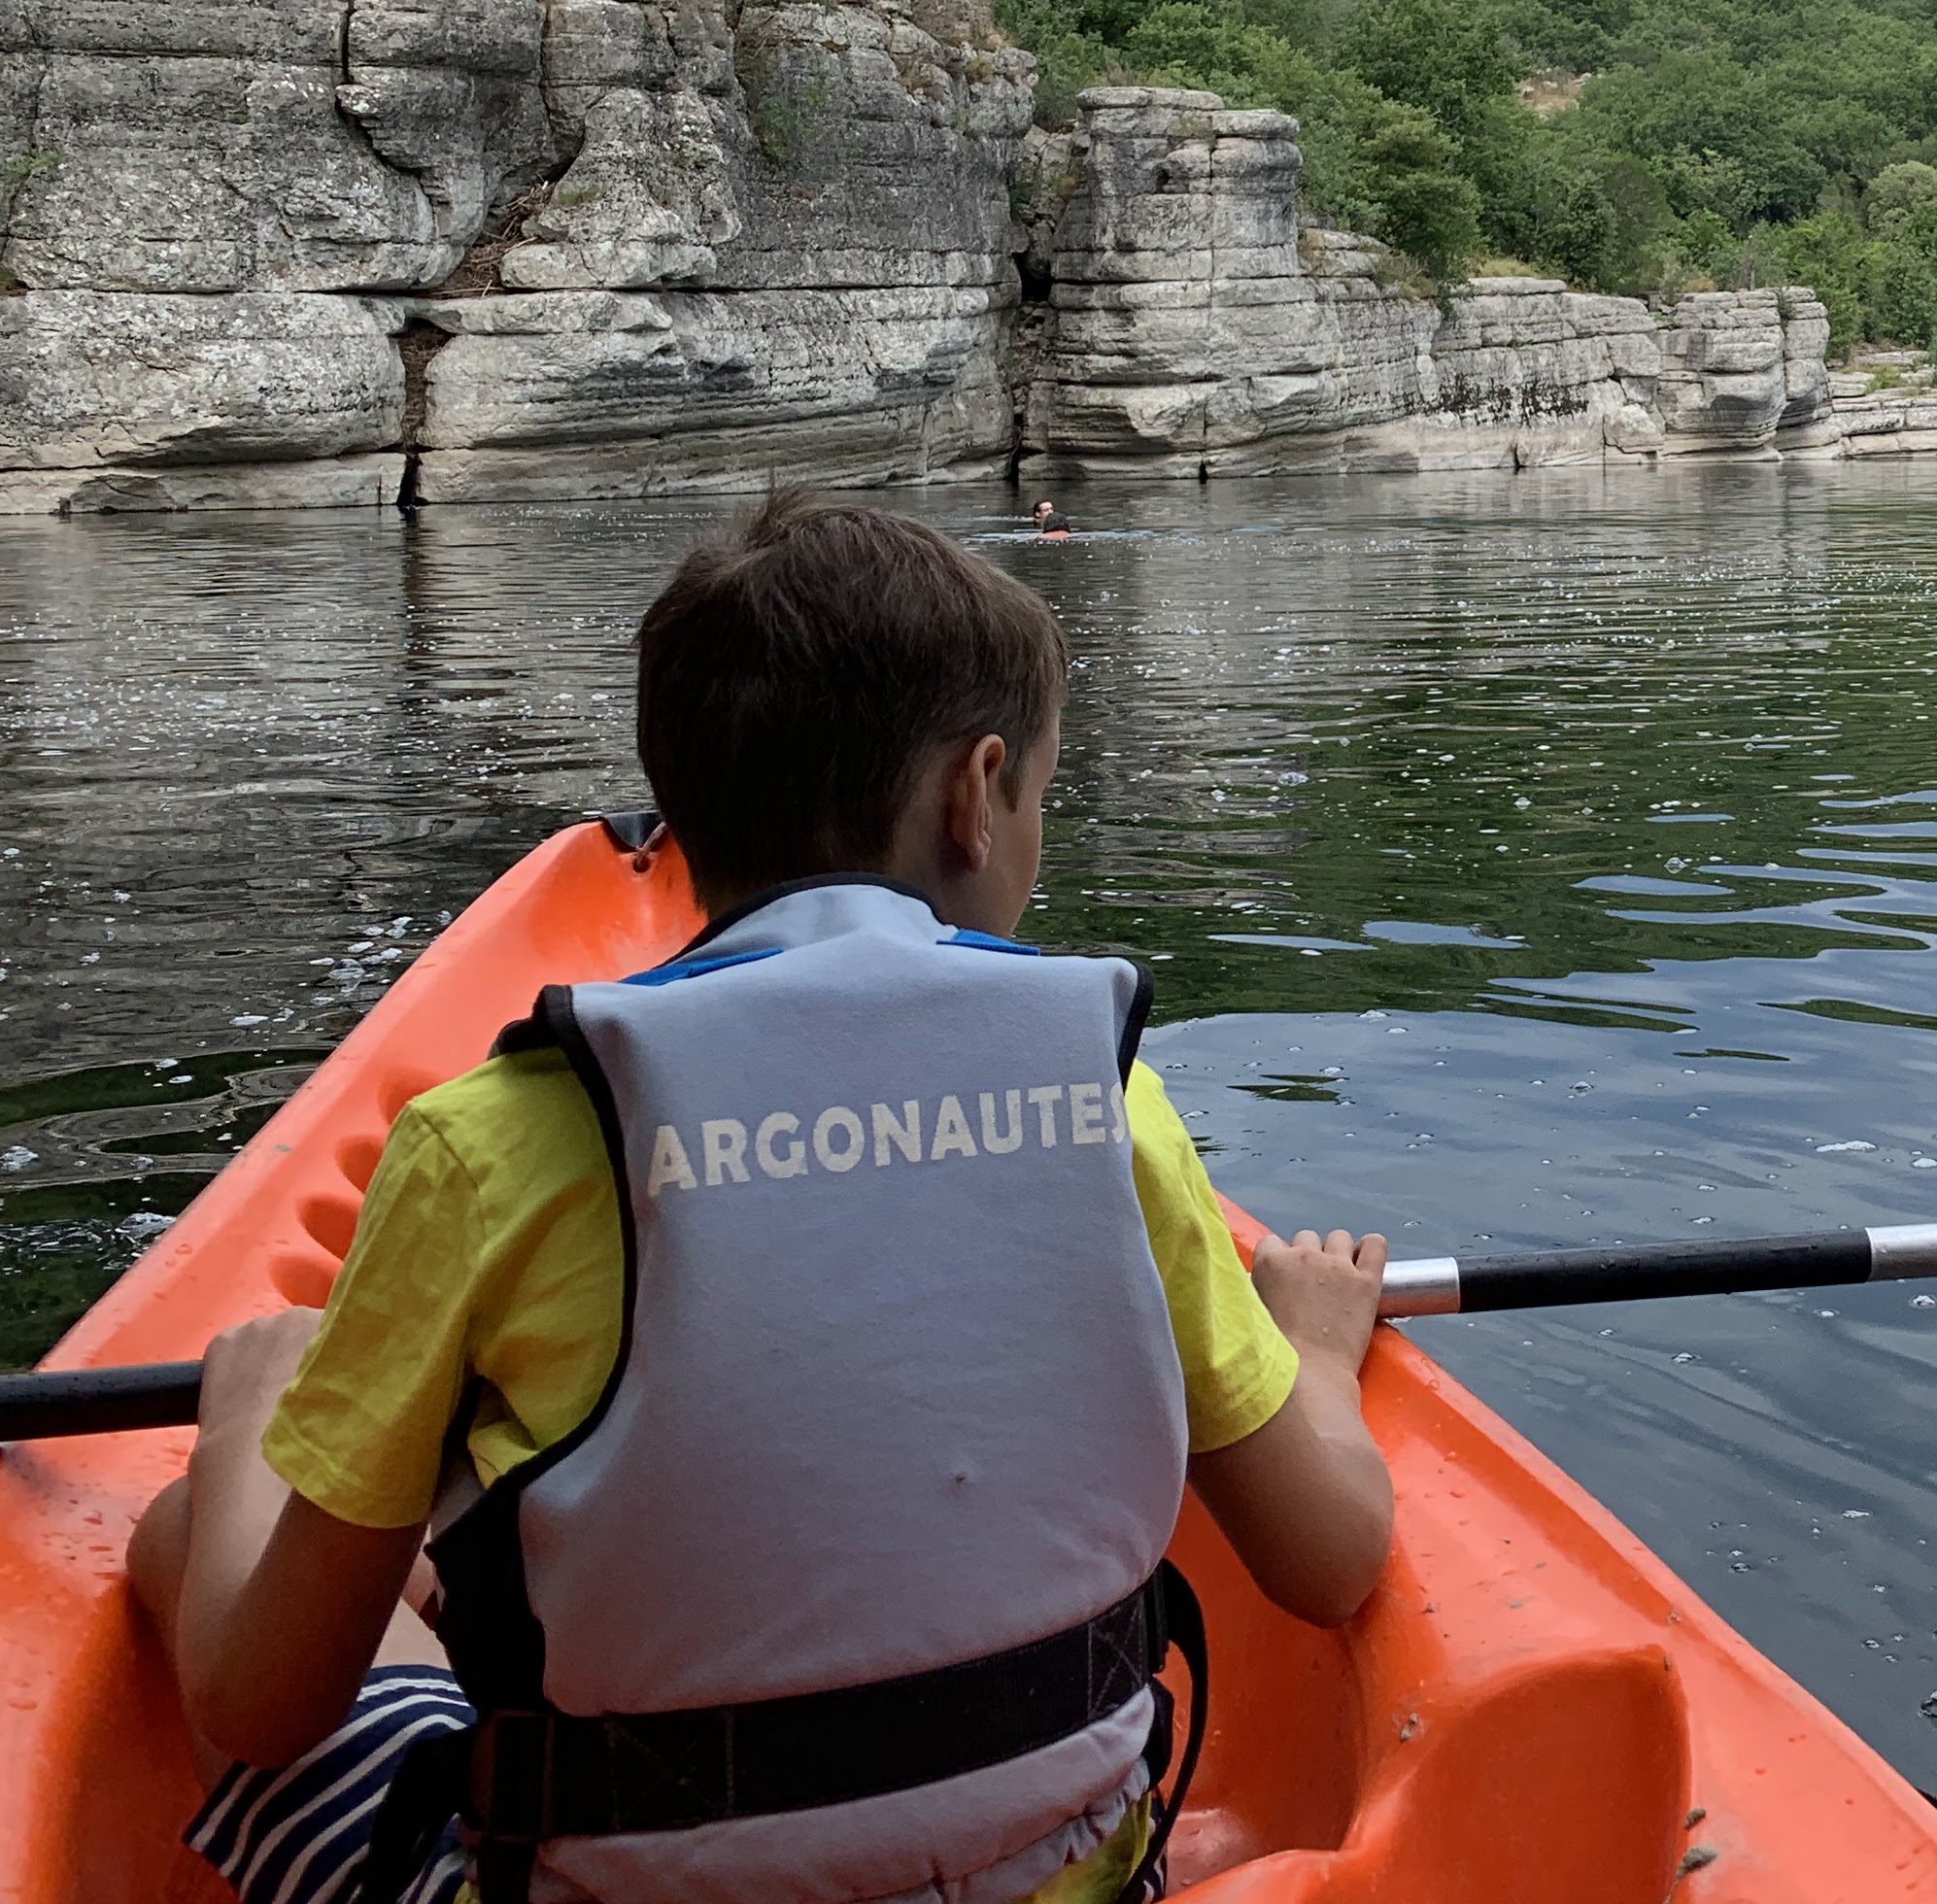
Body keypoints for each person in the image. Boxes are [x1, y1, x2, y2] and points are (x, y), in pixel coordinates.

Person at [130, 495, 1394, 1904]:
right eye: (1044, 793)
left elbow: (260, 1705)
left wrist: (253, 1423)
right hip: (1066, 1883)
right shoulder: (1106, 1100)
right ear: (976, 794)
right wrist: (1318, 1357)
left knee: (194, 1528)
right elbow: (1332, 1556)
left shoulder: (488, 1142)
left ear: (681, 813)